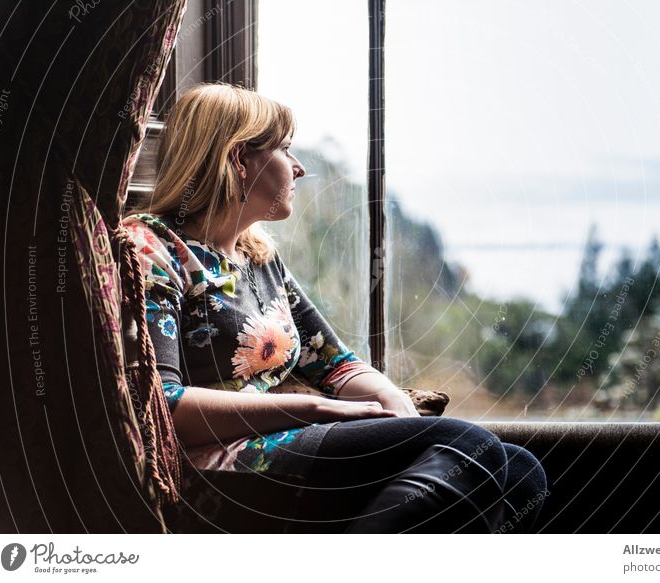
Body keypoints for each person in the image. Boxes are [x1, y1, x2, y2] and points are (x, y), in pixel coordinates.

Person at [123, 82, 547, 533]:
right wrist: (318, 410)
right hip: (220, 463)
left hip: (289, 442)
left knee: (522, 472)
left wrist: (393, 404)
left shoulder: (258, 256)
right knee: (466, 443)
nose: (299, 168)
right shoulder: (152, 245)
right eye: (286, 149)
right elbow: (163, 406)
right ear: (239, 160)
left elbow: (335, 363)